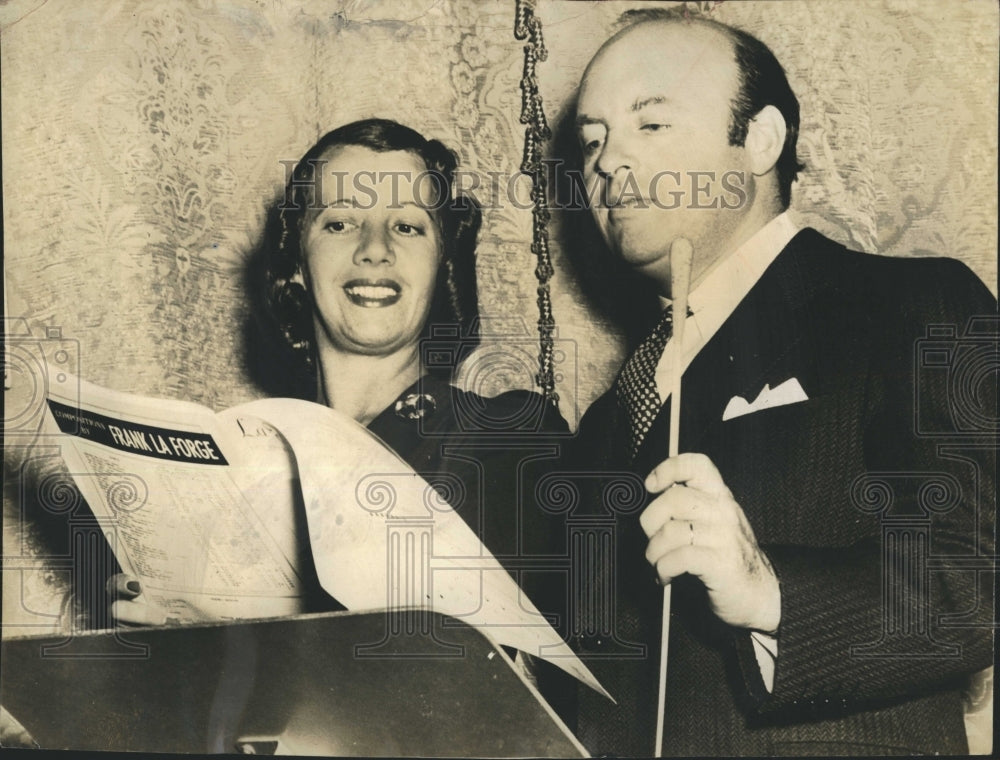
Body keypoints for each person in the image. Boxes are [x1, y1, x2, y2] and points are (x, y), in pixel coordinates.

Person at [562, 10, 996, 756]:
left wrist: (770, 594)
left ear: (760, 140)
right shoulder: (609, 416)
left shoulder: (914, 307)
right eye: (593, 140)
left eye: (651, 125)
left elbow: (974, 579)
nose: (606, 162)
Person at [112, 118, 569, 629]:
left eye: (407, 226)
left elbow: (448, 656)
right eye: (339, 223)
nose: (375, 247)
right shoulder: (237, 479)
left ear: (442, 266)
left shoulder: (510, 437)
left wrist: (236, 635)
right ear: (295, 265)